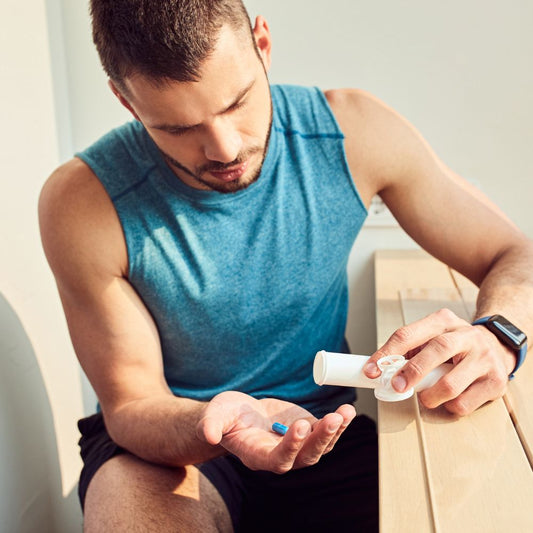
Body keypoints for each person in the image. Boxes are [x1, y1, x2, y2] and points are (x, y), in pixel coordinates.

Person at [39, 1, 532, 531]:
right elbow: (133, 404)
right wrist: (217, 421)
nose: (223, 147)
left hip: (326, 431)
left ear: (264, 45)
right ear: (126, 101)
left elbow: (514, 254)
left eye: (236, 103)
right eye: (178, 127)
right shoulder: (84, 203)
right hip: (169, 441)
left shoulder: (354, 133)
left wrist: (500, 333)